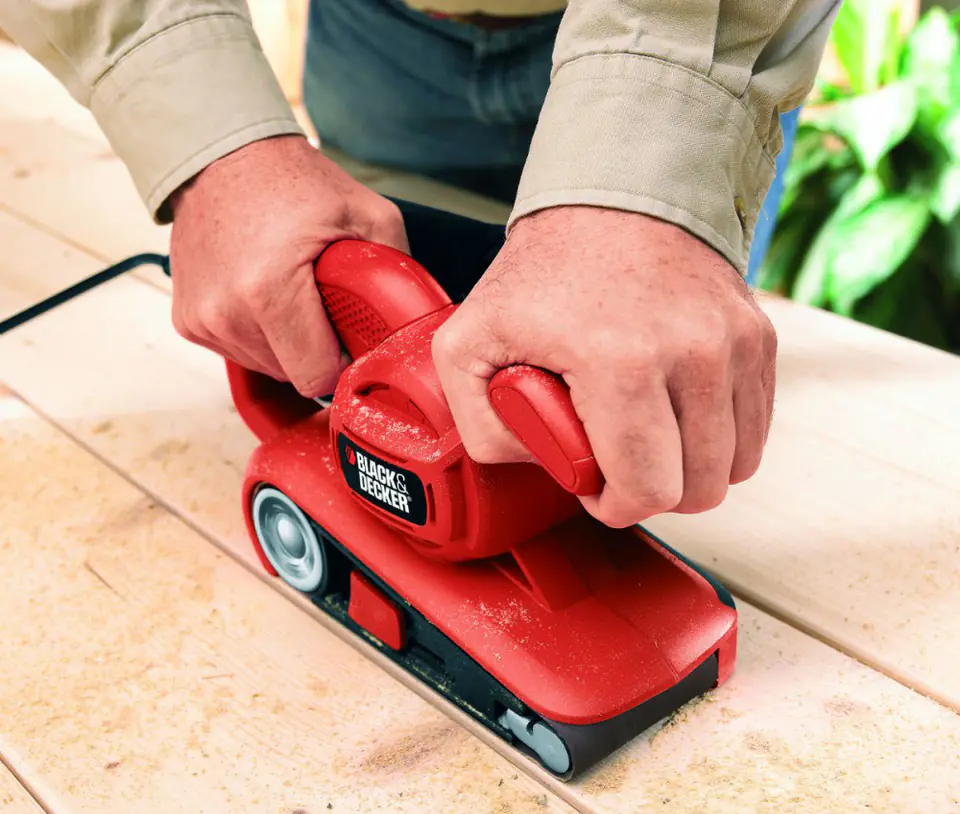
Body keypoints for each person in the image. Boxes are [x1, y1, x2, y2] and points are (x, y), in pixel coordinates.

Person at [0, 1, 838, 528]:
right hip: (379, 31)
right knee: (378, 313)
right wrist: (209, 136)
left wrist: (652, 163)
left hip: (711, 25)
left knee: (640, 392)